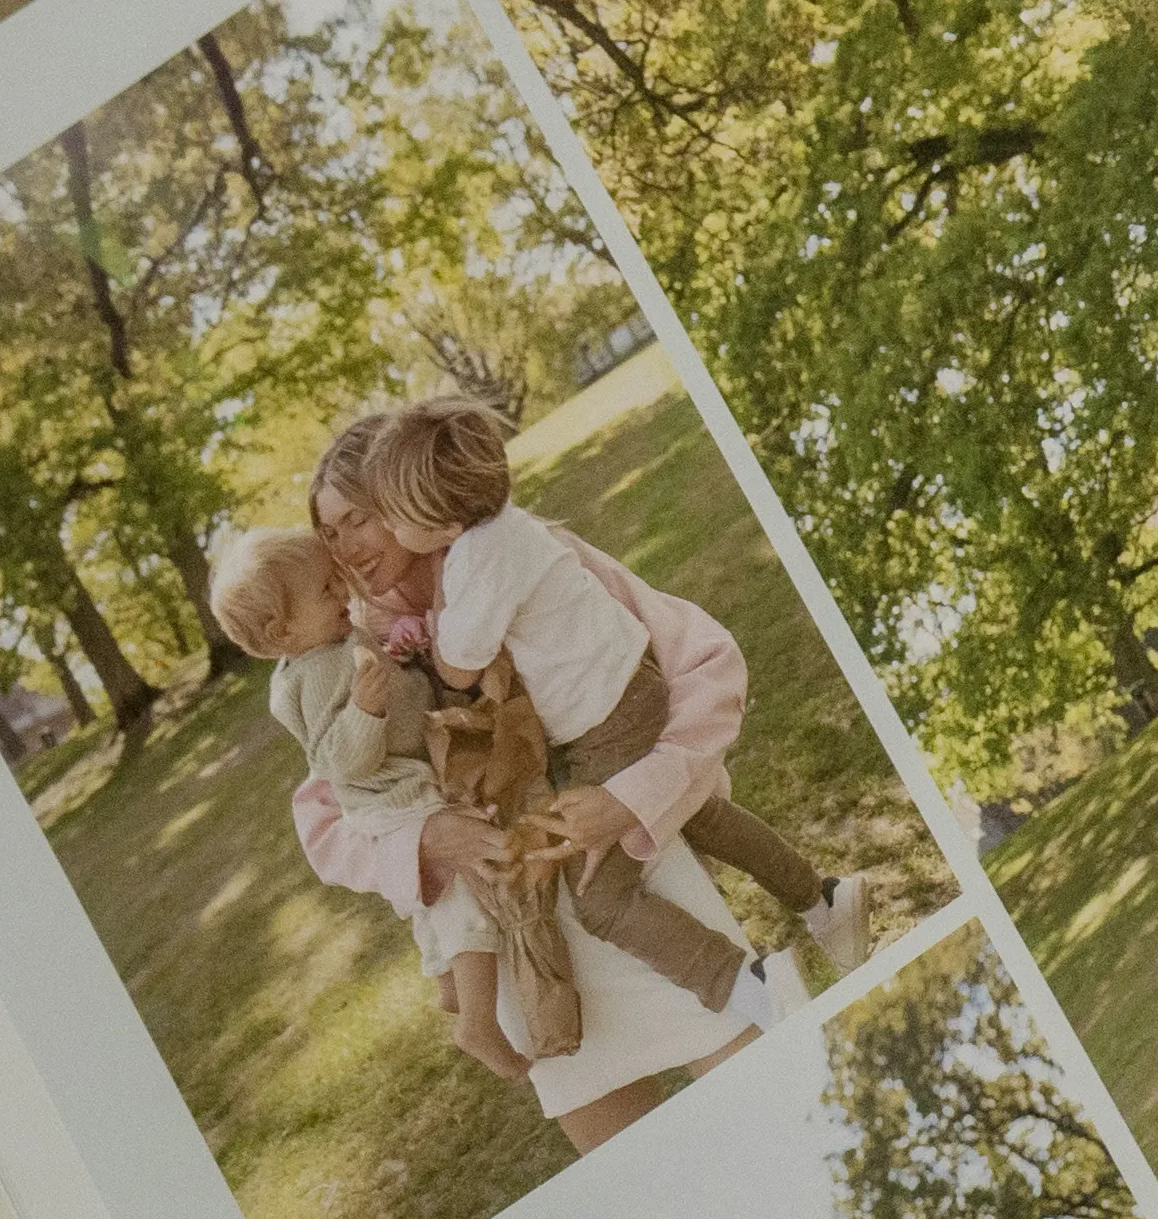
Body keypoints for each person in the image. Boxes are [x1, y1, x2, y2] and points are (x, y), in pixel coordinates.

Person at [297, 415, 787, 1150]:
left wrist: (630, 797)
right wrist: (431, 837)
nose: (345, 550)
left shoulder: (536, 556)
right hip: (525, 935)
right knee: (648, 1182)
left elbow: (708, 669)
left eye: (358, 519)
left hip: (636, 884)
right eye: (328, 533)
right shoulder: (356, 653)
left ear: (411, 498)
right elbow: (326, 821)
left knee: (779, 1106)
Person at [355, 393, 841, 1056]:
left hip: (607, 720)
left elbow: (460, 666)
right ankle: (821, 898)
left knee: (603, 901)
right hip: (628, 690)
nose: (382, 526)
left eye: (387, 513)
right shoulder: (509, 528)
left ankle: (746, 982)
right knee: (698, 810)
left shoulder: (475, 559)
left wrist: (434, 606)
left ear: (433, 519)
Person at [208, 527, 515, 1080]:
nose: (342, 595)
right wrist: (365, 711)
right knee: (465, 889)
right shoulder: (325, 668)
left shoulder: (319, 653)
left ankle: (446, 983)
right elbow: (338, 761)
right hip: (396, 794)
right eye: (325, 590)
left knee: (432, 898)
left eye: (336, 580)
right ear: (281, 631)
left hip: (391, 792)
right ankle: (479, 1023)